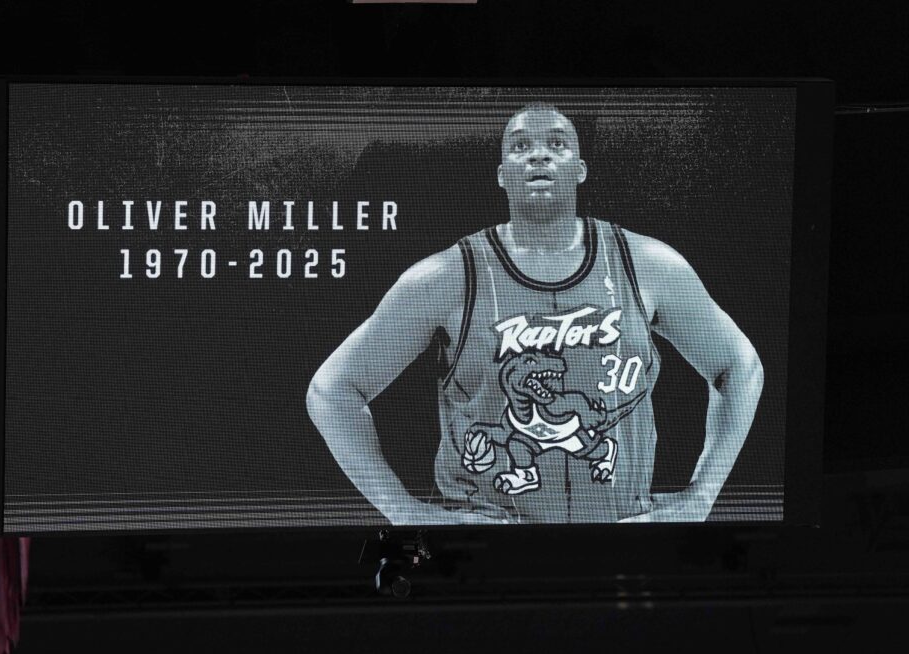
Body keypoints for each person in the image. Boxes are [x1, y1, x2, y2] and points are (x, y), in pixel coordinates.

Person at [306, 102, 764, 525]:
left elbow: (739, 367)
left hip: (619, 541)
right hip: (486, 548)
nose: (538, 155)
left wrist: (701, 499)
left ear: (580, 169)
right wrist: (406, 513)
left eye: (557, 144)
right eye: (520, 145)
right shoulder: (448, 276)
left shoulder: (647, 265)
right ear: (502, 174)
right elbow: (332, 391)